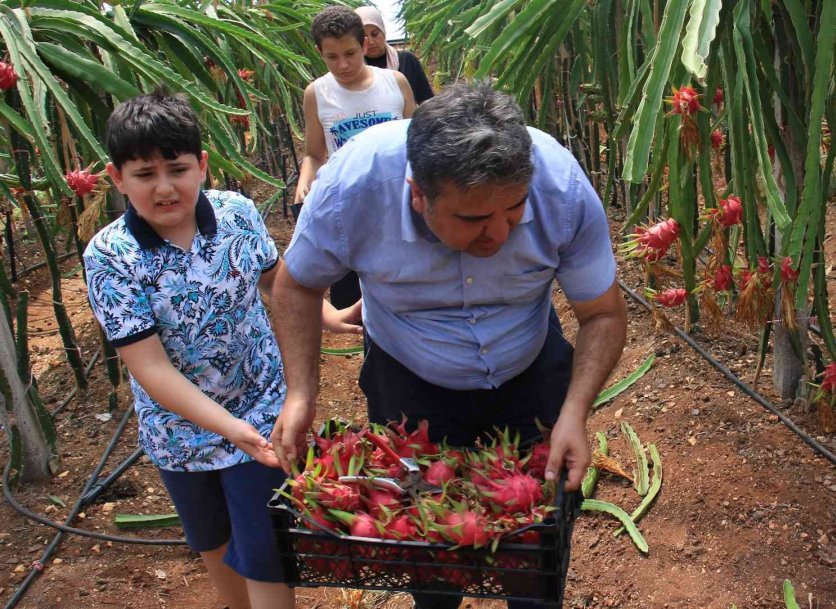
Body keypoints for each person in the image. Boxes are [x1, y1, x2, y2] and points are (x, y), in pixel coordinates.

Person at [270, 82, 627, 609]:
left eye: (514, 209)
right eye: (473, 219)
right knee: (427, 554)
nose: (499, 234)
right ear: (418, 194)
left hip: (529, 366)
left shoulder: (561, 187)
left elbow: (602, 313)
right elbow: (296, 286)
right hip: (408, 376)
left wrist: (574, 412)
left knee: (534, 557)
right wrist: (301, 393)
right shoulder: (352, 189)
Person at [83, 90, 359, 609]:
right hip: (178, 431)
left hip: (262, 410)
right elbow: (151, 368)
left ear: (203, 165)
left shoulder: (237, 214)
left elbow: (275, 282)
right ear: (117, 177)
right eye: (144, 174)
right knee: (213, 541)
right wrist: (229, 429)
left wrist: (331, 317)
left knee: (267, 548)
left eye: (177, 169)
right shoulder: (111, 256)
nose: (165, 188)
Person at [294, 5, 416, 309]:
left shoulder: (395, 82)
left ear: (364, 44)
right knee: (351, 295)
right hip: (349, 206)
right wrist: (305, 182)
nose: (343, 65)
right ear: (320, 53)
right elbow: (314, 153)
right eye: (332, 57)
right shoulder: (316, 93)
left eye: (350, 53)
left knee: (402, 285)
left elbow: (418, 142)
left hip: (397, 202)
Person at [355, 6, 434, 104]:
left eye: (375, 34)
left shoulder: (407, 61)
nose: (371, 42)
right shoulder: (355, 69)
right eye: (364, 37)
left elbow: (427, 101)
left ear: (383, 32)